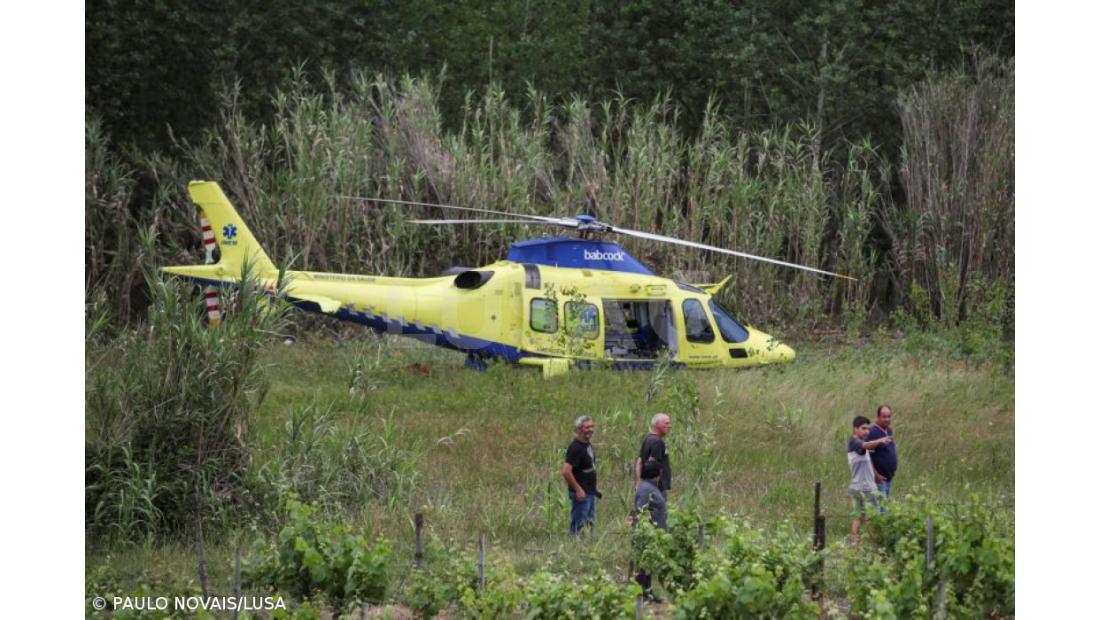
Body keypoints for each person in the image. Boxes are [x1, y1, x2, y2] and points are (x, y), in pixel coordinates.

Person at [848, 415, 893, 542]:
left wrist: (876, 475)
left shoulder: (859, 445)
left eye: (868, 429)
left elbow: (866, 461)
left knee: (860, 516)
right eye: (863, 428)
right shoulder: (855, 442)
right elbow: (865, 446)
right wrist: (880, 441)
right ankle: (876, 544)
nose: (866, 431)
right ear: (855, 429)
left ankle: (855, 544)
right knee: (875, 516)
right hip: (866, 487)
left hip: (856, 486)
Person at [632, 461, 668, 602]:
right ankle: (643, 596)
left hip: (652, 531)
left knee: (648, 566)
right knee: (644, 566)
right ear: (656, 474)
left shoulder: (649, 487)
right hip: (648, 532)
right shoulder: (646, 489)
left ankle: (647, 594)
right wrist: (644, 529)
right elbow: (641, 510)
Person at [562, 415, 600, 536]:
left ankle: (589, 548)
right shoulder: (576, 448)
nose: (590, 429)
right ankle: (575, 547)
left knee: (589, 524)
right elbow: (566, 471)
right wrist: (578, 489)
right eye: (587, 427)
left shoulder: (587, 444)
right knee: (579, 525)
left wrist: (594, 488)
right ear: (579, 429)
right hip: (582, 494)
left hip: (589, 491)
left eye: (591, 426)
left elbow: (590, 468)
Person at [866, 404, 897, 501]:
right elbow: (866, 455)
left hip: (888, 478)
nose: (887, 419)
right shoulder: (871, 432)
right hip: (879, 480)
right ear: (878, 417)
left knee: (885, 508)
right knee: (880, 511)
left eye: (889, 416)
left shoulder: (889, 431)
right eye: (884, 417)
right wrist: (875, 474)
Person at [636, 413, 672, 494]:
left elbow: (639, 462)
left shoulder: (648, 439)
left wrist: (639, 483)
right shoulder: (657, 442)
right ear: (657, 424)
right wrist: (653, 487)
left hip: (647, 486)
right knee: (660, 506)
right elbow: (653, 465)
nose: (669, 426)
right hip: (656, 488)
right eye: (666, 423)